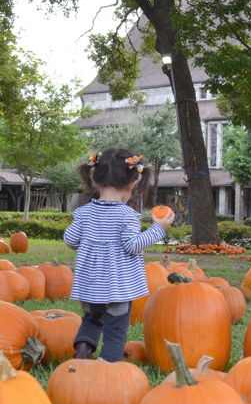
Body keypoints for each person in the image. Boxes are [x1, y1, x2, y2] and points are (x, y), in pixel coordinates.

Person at [64, 147, 175, 362]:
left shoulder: (84, 213)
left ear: (95, 181)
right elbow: (132, 245)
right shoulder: (127, 216)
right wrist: (158, 228)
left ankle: (83, 351)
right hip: (117, 289)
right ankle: (109, 367)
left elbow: (70, 240)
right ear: (133, 184)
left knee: (91, 320)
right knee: (115, 330)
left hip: (88, 288)